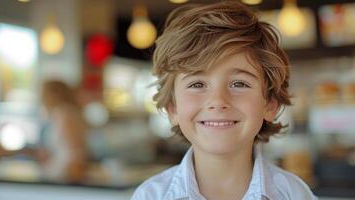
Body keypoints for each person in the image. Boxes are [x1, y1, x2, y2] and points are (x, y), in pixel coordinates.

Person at [131, 1, 317, 200]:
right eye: (197, 85)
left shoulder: (294, 194)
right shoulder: (150, 195)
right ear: (173, 108)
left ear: (270, 104)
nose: (218, 101)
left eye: (239, 84)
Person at [40, 80, 88, 184]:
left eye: (44, 93)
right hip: (61, 169)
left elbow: (75, 151)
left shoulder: (64, 113)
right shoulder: (63, 112)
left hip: (65, 171)